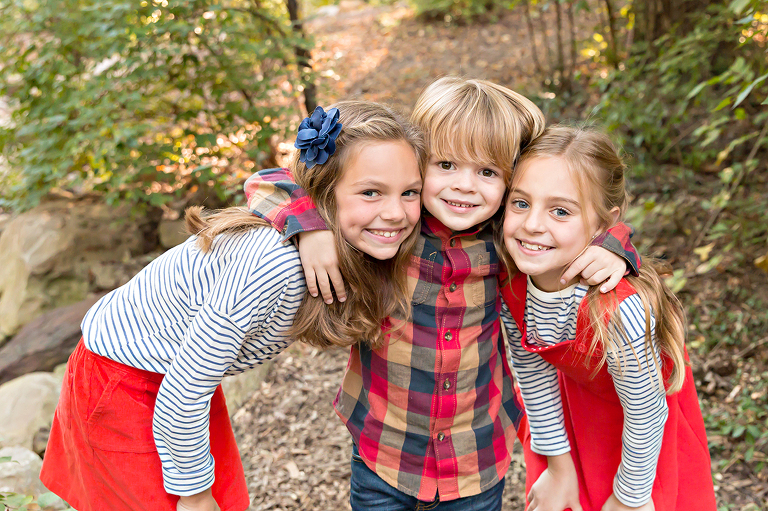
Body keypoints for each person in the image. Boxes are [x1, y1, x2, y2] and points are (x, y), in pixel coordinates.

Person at [244, 77, 642, 510]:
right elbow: (266, 184)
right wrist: (311, 229)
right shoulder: (392, 226)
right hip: (383, 449)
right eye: (446, 165)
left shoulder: (508, 240)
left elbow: (579, 221)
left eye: (487, 172)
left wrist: (616, 247)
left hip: (476, 460)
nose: (465, 186)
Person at [39, 100, 428, 511]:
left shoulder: (349, 238)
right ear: (323, 192)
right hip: (127, 381)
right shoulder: (273, 266)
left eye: (410, 193)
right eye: (371, 192)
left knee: (225, 500)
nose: (395, 212)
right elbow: (183, 391)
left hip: (185, 377)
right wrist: (193, 495)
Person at [498, 124, 716, 511]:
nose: (532, 224)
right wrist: (559, 466)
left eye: (560, 210)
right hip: (565, 419)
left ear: (603, 223)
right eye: (520, 203)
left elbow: (647, 413)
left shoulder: (618, 309)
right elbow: (530, 368)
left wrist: (629, 500)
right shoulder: (512, 282)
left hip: (642, 432)